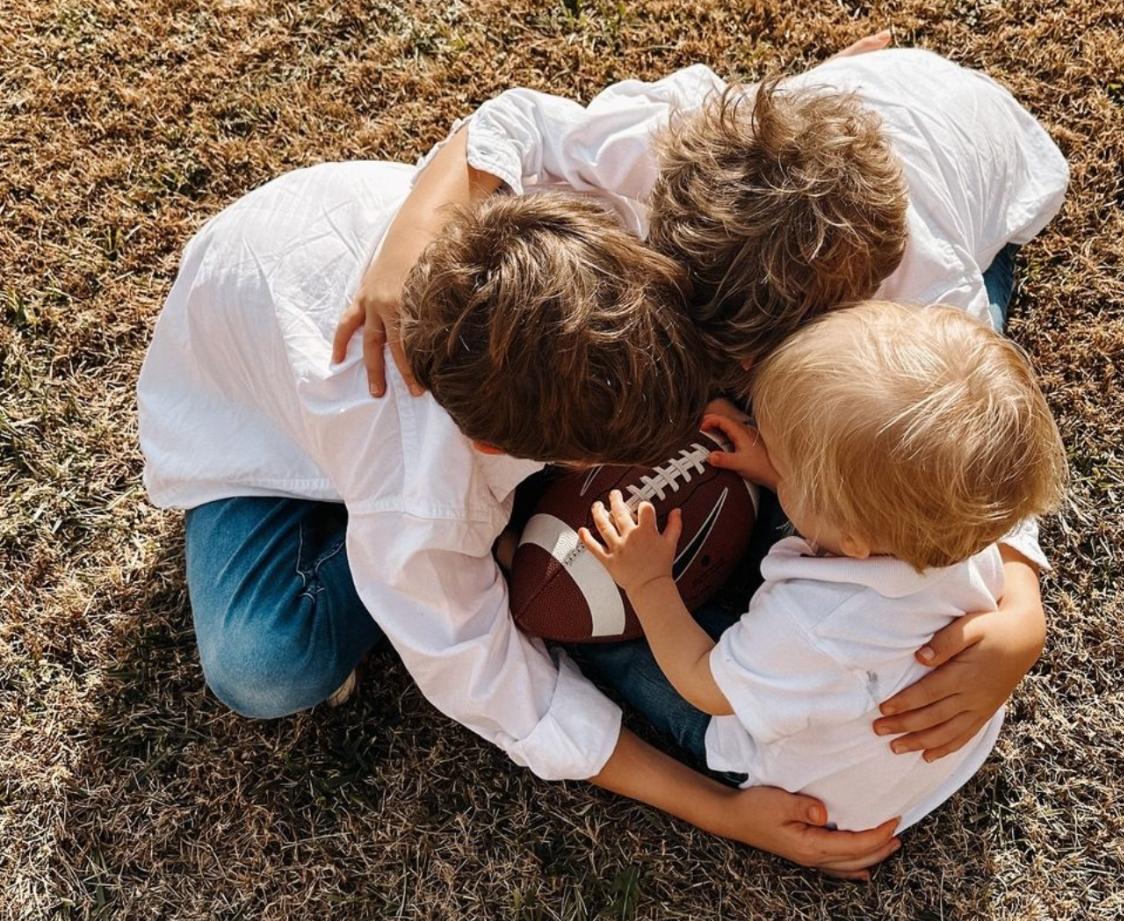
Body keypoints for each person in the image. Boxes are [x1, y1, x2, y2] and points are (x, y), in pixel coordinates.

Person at [138, 164, 900, 877]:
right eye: (597, 458)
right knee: (265, 666)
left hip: (325, 252)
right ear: (494, 447)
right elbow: (500, 687)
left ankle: (498, 529)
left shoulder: (592, 233)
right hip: (256, 433)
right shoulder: (422, 498)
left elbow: (515, 124)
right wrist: (724, 811)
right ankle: (462, 540)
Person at [338, 42, 1068, 765]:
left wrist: (1022, 604)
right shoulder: (662, 140)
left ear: (855, 308)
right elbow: (515, 121)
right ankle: (836, 89)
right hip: (852, 125)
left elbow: (974, 433)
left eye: (745, 362)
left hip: (975, 187)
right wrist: (414, 231)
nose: (713, 378)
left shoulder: (923, 286)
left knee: (884, 467)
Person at [579, 301, 1068, 832]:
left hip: (809, 789)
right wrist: (781, 473)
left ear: (853, 538)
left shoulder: (812, 625)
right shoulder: (962, 526)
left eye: (788, 465)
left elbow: (706, 687)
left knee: (622, 647)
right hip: (922, 761)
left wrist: (648, 582)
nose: (773, 455)